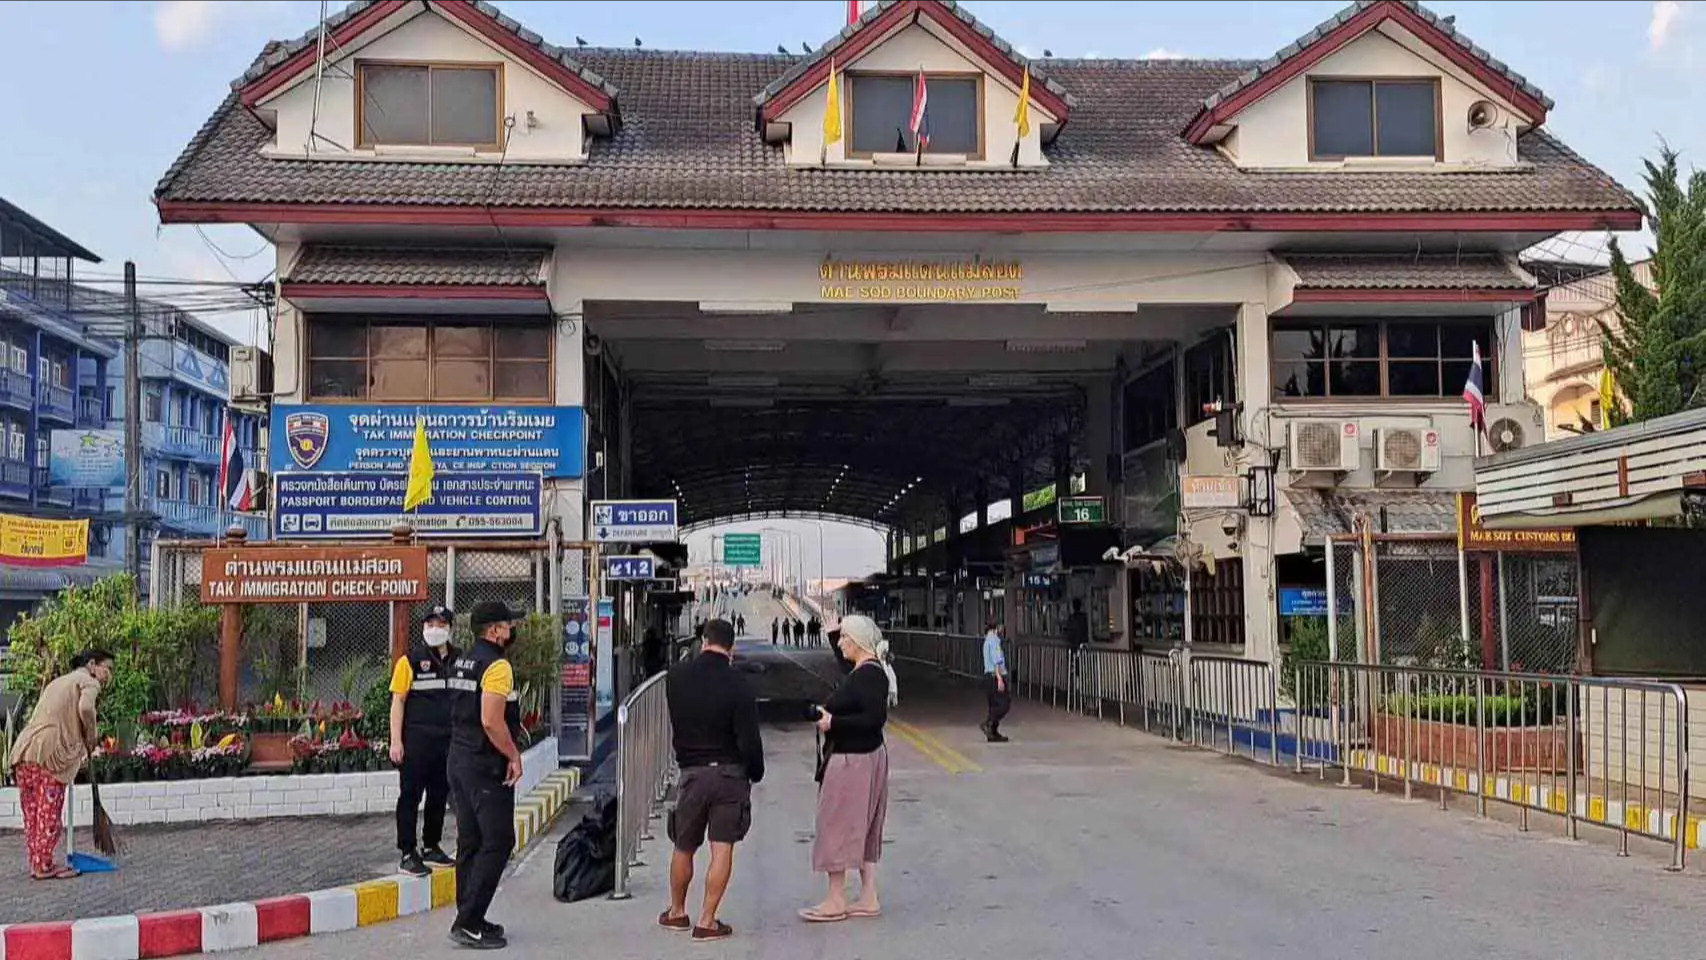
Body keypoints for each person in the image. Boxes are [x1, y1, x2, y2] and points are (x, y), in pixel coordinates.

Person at [660, 619, 764, 943]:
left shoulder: (677, 677)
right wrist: (755, 771)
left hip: (692, 773)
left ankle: (677, 912)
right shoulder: (739, 684)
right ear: (731, 647)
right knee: (722, 848)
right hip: (730, 775)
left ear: (703, 641)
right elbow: (749, 739)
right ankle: (707, 921)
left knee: (684, 845)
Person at [800, 616, 895, 923]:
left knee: (836, 825)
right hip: (868, 755)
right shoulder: (870, 671)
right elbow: (850, 676)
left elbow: (874, 718)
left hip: (851, 759)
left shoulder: (868, 676)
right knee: (866, 826)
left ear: (857, 642)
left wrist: (833, 722)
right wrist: (831, 633)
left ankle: (836, 899)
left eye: (844, 639)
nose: (840, 644)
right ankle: (868, 896)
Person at [445, 600, 526, 949]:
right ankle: (468, 921)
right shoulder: (497, 665)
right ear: (494, 630)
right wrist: (513, 755)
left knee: (471, 840)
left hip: (459, 759)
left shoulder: (463, 660)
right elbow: (491, 720)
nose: (512, 630)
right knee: (499, 840)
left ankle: (470, 916)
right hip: (484, 764)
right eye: (508, 625)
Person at [9, 648, 112, 879]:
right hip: (50, 754)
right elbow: (86, 708)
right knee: (49, 815)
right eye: (107, 668)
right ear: (92, 665)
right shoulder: (88, 681)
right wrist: (91, 734)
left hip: (24, 751)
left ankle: (37, 863)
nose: (109, 675)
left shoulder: (57, 682)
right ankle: (44, 866)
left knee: (33, 814)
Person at [390, 605, 459, 878]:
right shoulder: (409, 661)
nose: (434, 629)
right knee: (410, 797)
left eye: (440, 625)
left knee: (438, 795)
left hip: (447, 743)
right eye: (430, 624)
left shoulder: (460, 660)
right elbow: (398, 701)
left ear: (449, 629)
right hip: (416, 743)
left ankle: (431, 846)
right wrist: (396, 741)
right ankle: (407, 853)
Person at [980, 619, 1011, 743]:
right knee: (1004, 704)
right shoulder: (994, 640)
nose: (1002, 629)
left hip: (989, 676)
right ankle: (988, 723)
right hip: (995, 676)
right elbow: (996, 660)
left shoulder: (987, 640)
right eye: (1001, 626)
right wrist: (999, 679)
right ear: (997, 627)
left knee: (994, 704)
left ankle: (992, 732)